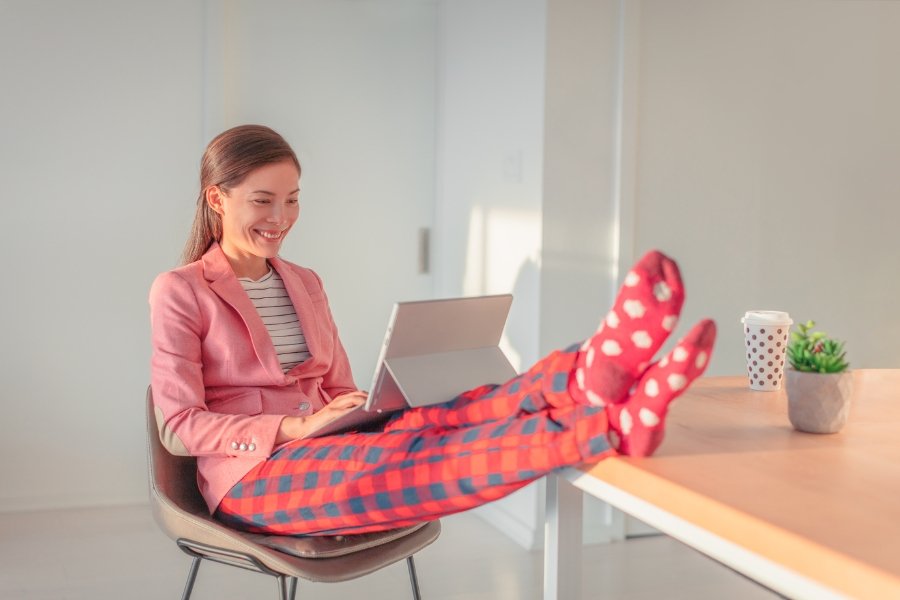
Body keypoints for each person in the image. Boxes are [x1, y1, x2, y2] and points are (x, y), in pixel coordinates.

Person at [149, 124, 717, 537]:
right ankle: (607, 426)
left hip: (328, 440)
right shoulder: (181, 290)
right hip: (251, 476)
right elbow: (178, 426)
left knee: (446, 413)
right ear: (217, 199)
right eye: (263, 201)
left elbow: (340, 384)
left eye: (293, 200)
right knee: (411, 462)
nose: (282, 218)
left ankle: (585, 376)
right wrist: (294, 427)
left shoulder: (305, 281)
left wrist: (357, 409)